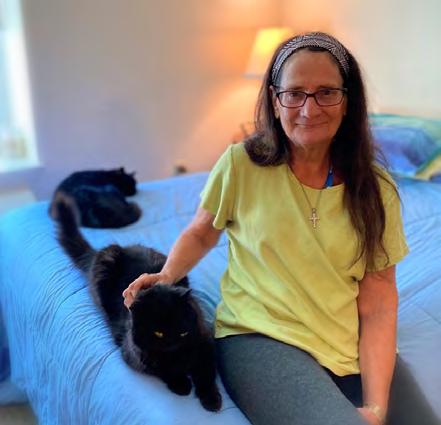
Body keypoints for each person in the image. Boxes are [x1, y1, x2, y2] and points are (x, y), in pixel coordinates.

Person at [122, 32, 439, 425]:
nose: (309, 108)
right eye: (294, 93)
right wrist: (167, 275)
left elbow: (378, 305)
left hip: (345, 342)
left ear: (347, 101)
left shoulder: (377, 190)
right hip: (259, 335)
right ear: (275, 100)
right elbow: (203, 232)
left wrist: (376, 406)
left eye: (326, 93)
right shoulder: (241, 164)